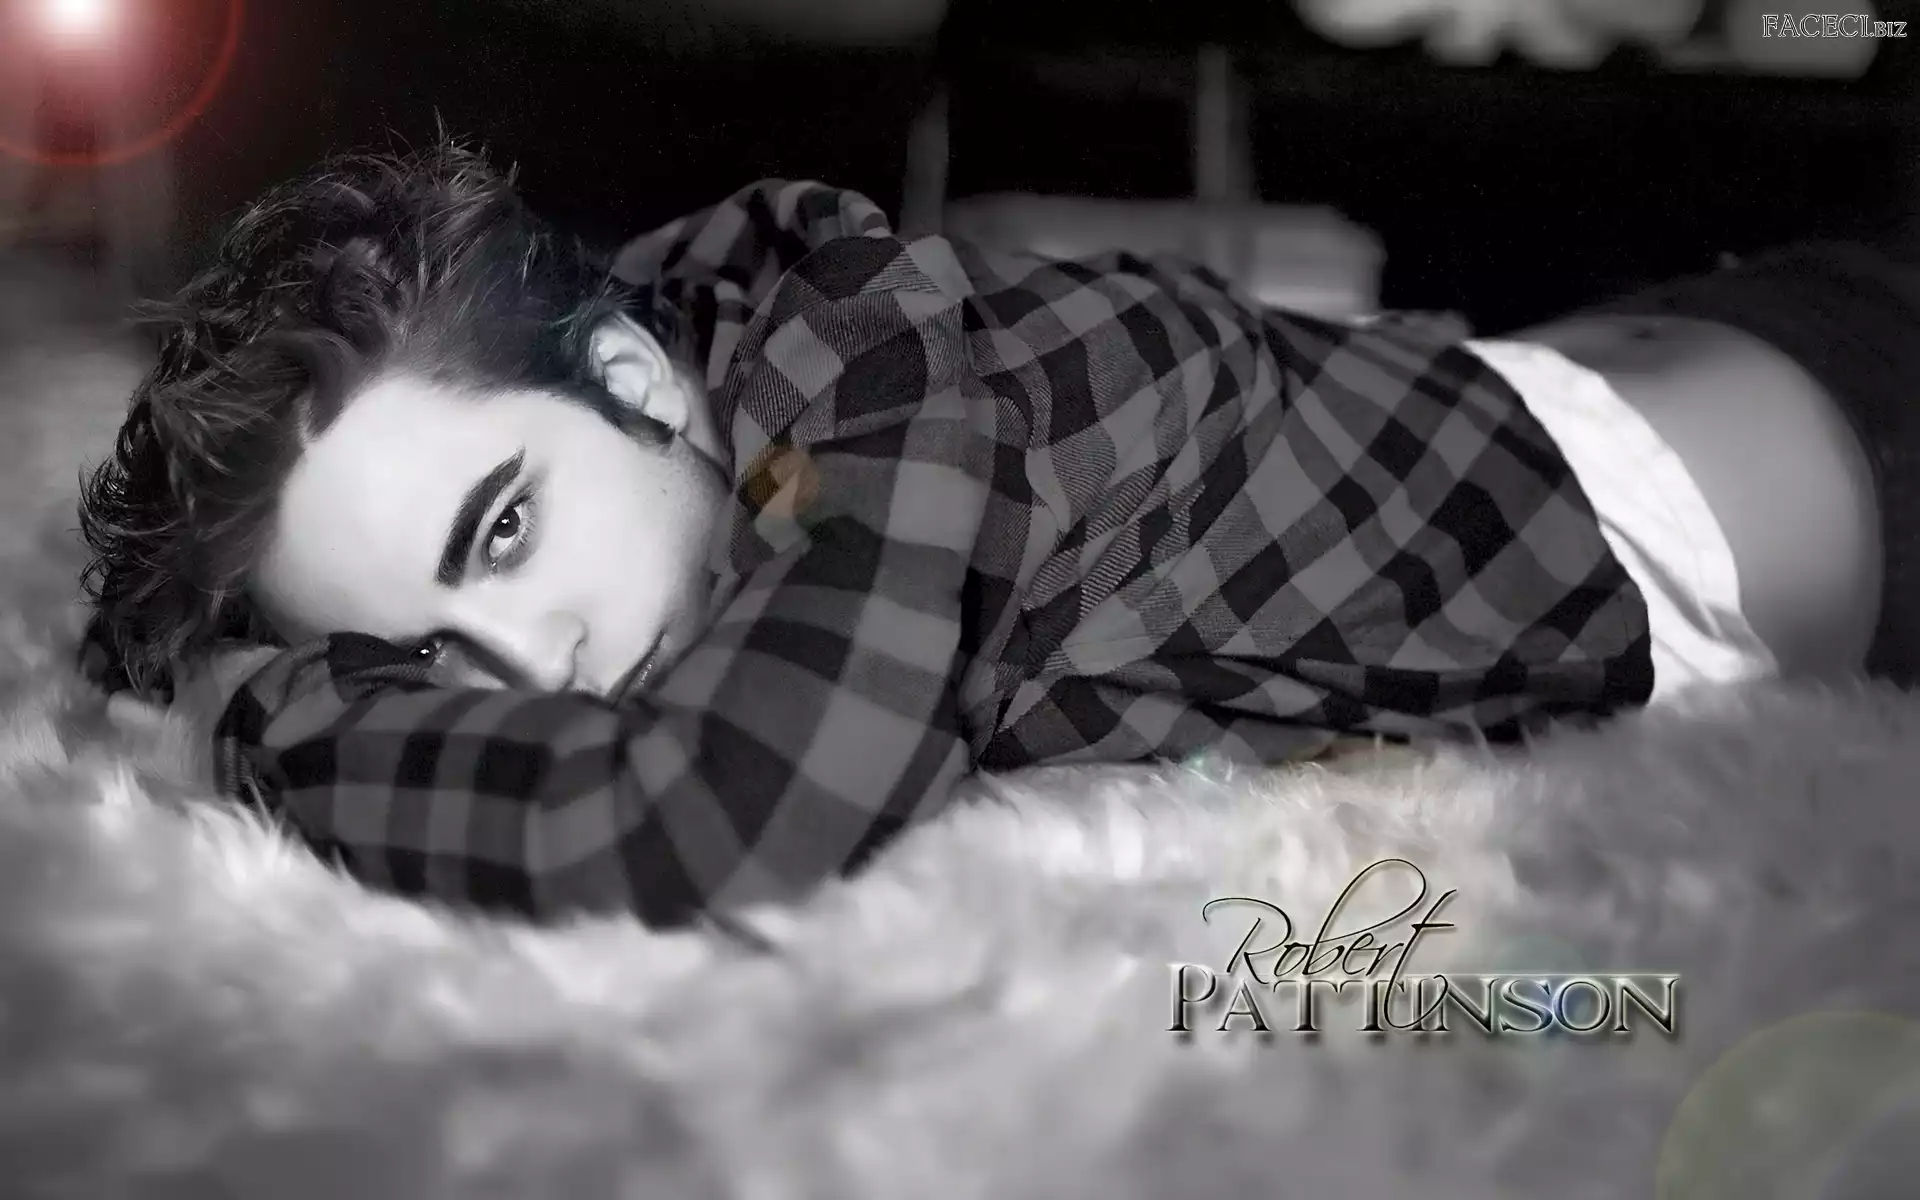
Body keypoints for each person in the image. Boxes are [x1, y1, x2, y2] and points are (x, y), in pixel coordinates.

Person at [76, 138, 1909, 929]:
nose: (523, 673)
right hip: (1557, 364)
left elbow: (710, 820)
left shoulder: (873, 379)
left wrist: (255, 719)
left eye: (502, 534)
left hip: (1853, 419)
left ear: (634, 383)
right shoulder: (677, 374)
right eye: (413, 660)